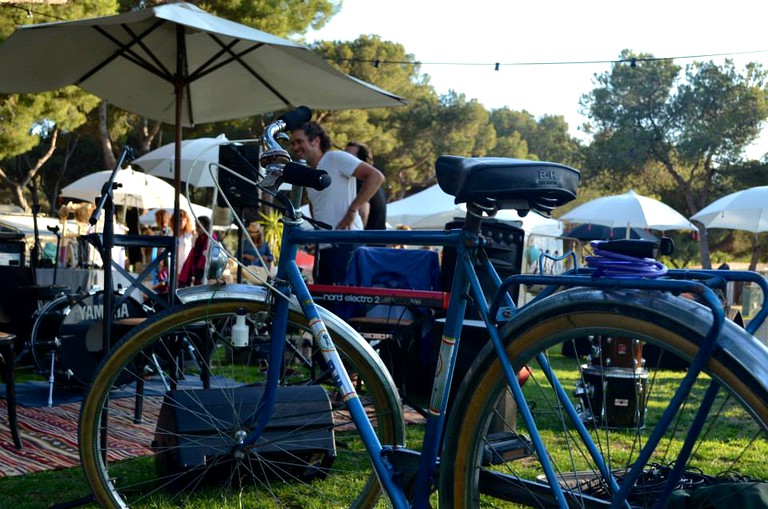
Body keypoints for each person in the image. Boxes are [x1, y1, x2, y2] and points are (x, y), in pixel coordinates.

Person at [290, 121, 385, 285]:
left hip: (345, 243)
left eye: (299, 141)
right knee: (324, 305)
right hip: (326, 247)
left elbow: (376, 177)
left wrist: (352, 210)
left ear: (316, 141)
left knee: (341, 307)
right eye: (292, 143)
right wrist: (317, 235)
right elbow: (316, 206)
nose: (295, 147)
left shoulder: (335, 157)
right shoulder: (309, 172)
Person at [345, 141, 387, 230]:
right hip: (378, 240)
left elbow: (363, 213)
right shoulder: (373, 184)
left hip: (366, 241)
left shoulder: (360, 182)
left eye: (349, 156)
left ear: (360, 161)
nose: (344, 159)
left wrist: (358, 240)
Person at [179, 215, 214, 287]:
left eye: (199, 226)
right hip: (198, 272)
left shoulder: (210, 238)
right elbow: (192, 256)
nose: (196, 229)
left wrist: (197, 270)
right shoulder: (198, 239)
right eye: (196, 226)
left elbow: (204, 257)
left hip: (205, 273)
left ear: (206, 227)